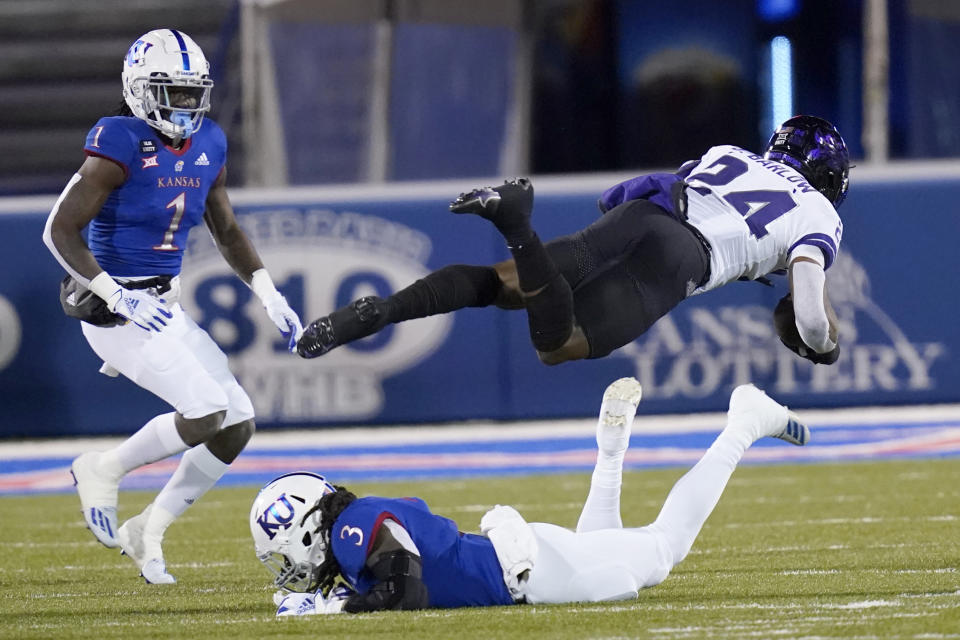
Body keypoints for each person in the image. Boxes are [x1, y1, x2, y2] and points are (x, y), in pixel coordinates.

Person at [42, 29, 304, 584]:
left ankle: (149, 529)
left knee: (236, 424)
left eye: (192, 93)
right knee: (206, 410)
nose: (184, 105)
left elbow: (226, 229)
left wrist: (267, 291)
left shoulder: (210, 141)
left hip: (164, 305)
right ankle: (102, 469)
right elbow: (59, 230)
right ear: (139, 89)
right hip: (112, 306)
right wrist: (118, 295)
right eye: (172, 92)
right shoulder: (118, 139)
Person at [296, 115, 848, 366]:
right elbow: (811, 316)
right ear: (827, 175)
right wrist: (824, 347)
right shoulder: (818, 210)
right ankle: (517, 227)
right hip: (681, 256)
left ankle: (377, 311)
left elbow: (642, 191)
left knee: (506, 286)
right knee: (558, 344)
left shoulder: (731, 154)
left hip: (641, 217)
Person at [249, 378, 810, 614]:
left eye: (282, 547)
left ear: (304, 527)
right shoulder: (363, 521)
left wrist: (340, 608)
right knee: (606, 545)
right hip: (531, 560)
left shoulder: (355, 528)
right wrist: (327, 601)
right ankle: (610, 453)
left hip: (532, 573)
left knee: (666, 548)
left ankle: (744, 422)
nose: (286, 564)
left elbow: (406, 588)